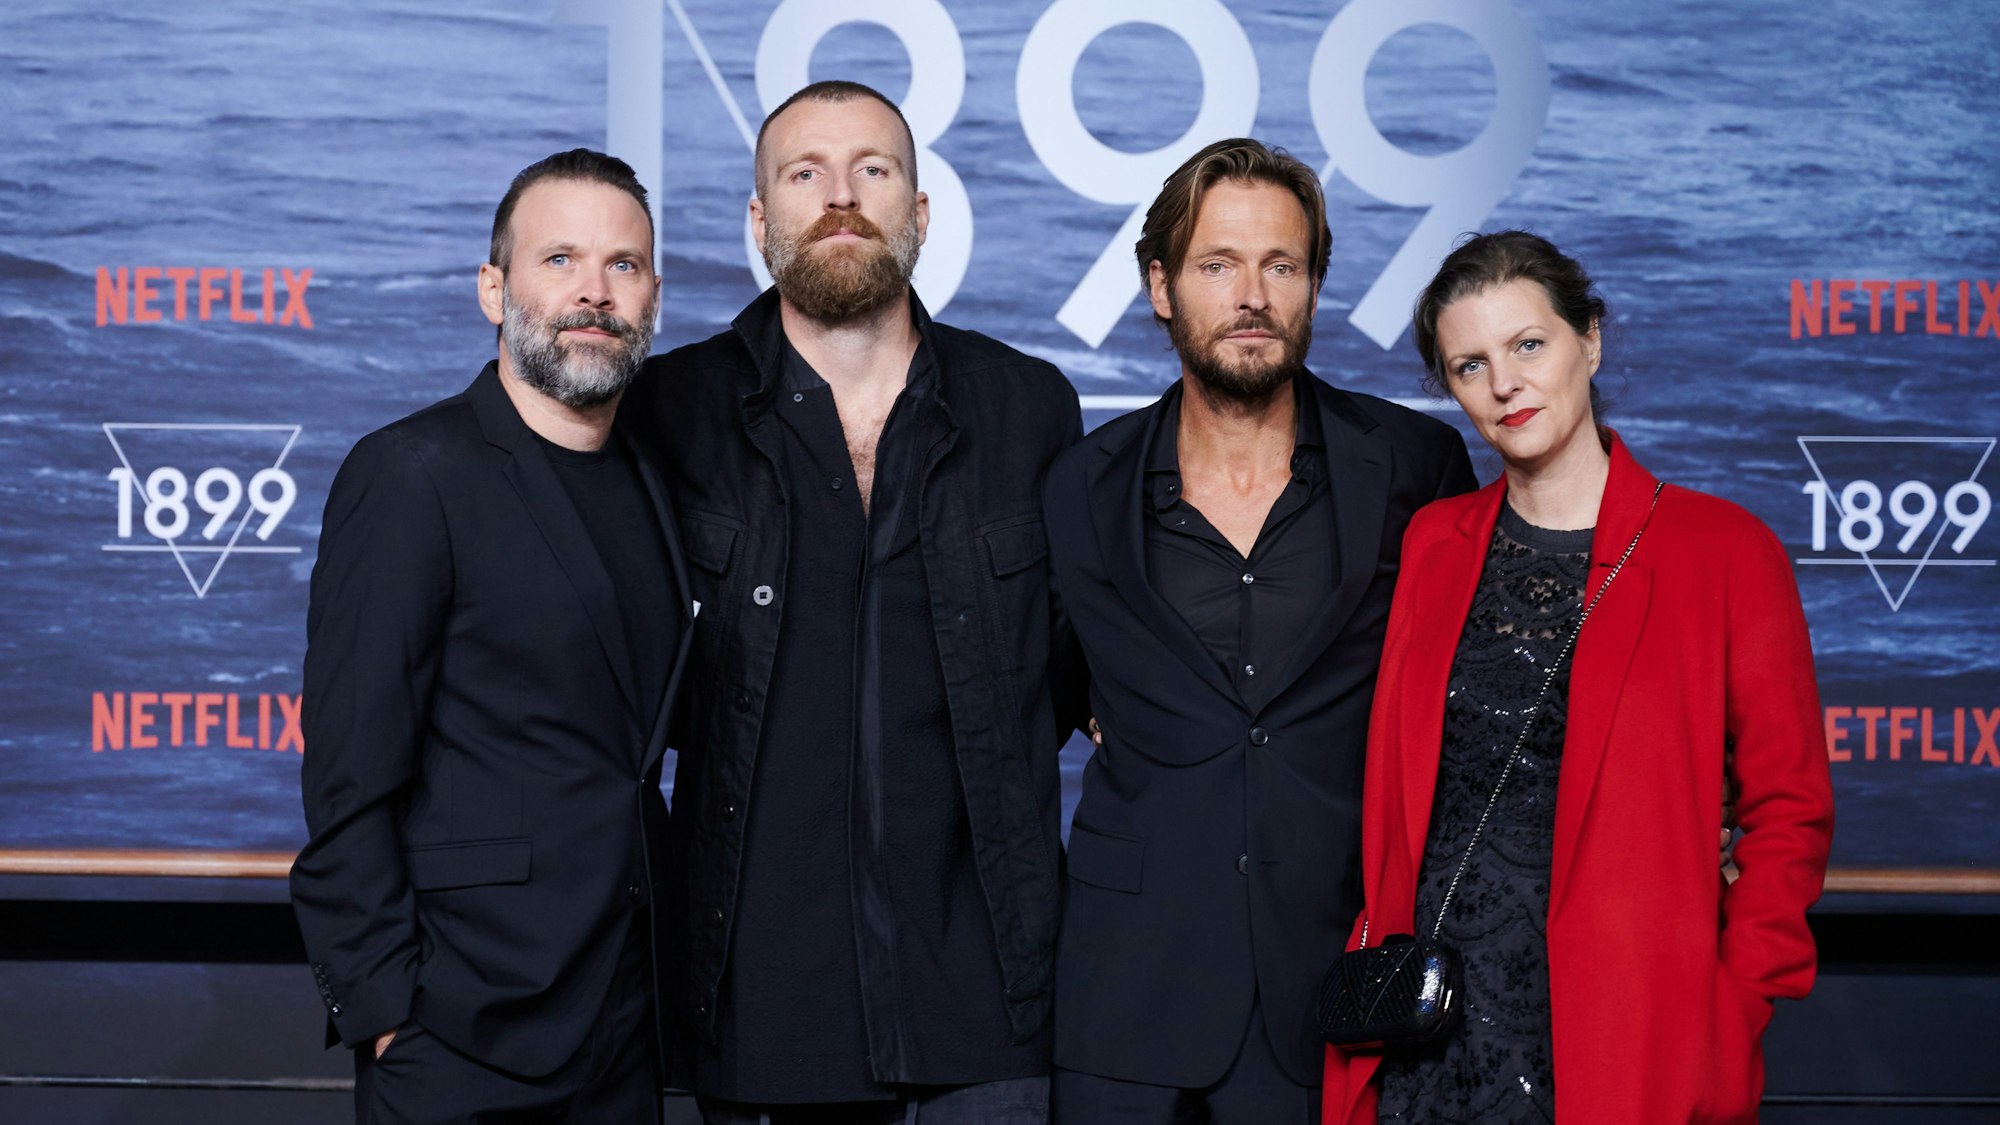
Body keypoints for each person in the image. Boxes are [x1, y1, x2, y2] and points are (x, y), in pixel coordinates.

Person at [623, 80, 1084, 1123]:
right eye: (804, 174)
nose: (840, 197)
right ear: (759, 221)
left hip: (988, 1006)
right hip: (752, 1010)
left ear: (919, 214)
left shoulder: (1028, 409)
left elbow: (1072, 674)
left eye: (872, 171)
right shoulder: (669, 414)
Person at [1321, 231, 1835, 1124]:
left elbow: (1789, 810)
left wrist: (1734, 1003)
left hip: (1624, 1038)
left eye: (1529, 345)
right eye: (1470, 364)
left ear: (1588, 340)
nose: (1505, 383)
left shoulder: (1723, 552)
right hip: (1428, 1035)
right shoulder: (1433, 548)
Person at [1042, 138, 1476, 1124]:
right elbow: (1047, 683)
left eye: (1280, 265)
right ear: (1159, 287)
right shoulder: (1079, 487)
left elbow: (1463, 691)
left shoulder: (1413, 465)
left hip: (1337, 979)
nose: (1251, 294)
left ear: (1314, 286)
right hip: (1124, 994)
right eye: (1216, 265)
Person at [290, 149, 691, 1123]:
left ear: (651, 298)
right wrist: (386, 1011)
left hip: (627, 1027)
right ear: (492, 288)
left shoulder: (657, 482)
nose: (593, 293)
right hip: (460, 1034)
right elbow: (347, 769)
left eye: (622, 266)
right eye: (559, 260)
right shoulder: (412, 475)